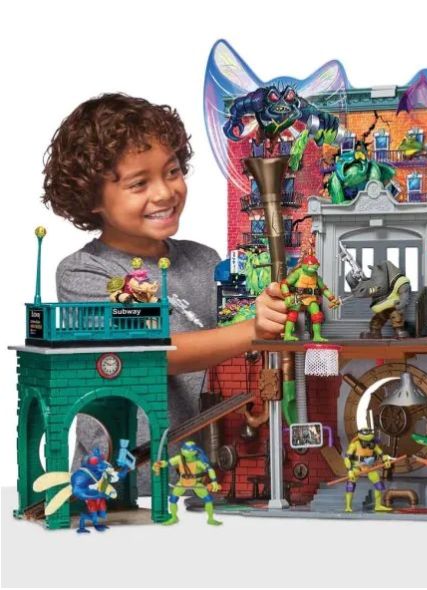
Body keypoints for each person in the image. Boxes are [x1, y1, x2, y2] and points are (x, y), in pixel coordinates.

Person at [42, 93, 288, 491]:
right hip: (124, 485)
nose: (164, 193)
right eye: (139, 183)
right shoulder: (84, 272)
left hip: (204, 476)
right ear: (92, 197)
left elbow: (235, 354)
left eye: (172, 172)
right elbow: (151, 353)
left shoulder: (204, 260)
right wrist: (253, 330)